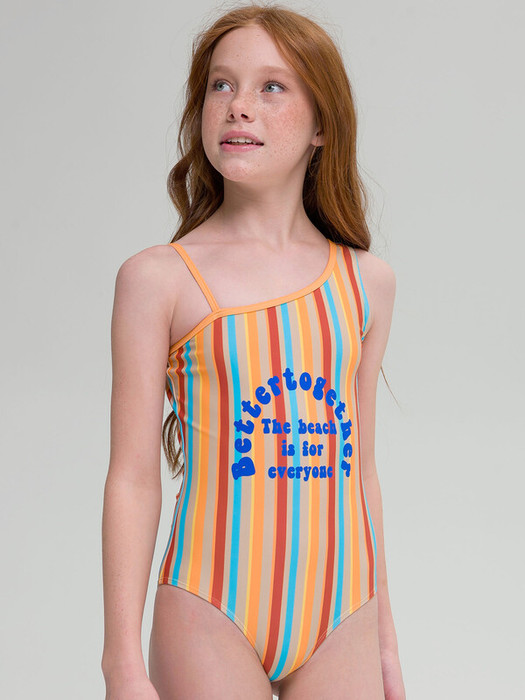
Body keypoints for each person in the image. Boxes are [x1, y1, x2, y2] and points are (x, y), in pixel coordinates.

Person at [101, 3, 406, 699]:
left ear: (322, 125)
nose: (239, 105)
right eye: (221, 84)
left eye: (272, 86)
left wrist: (385, 642)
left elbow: (361, 473)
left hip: (344, 610)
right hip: (209, 605)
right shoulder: (159, 279)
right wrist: (121, 664)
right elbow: (132, 479)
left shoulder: (367, 284)